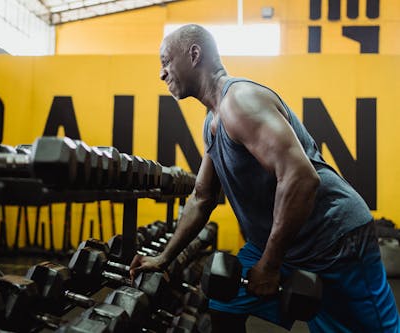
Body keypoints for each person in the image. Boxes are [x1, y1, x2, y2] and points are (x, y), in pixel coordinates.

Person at [129, 24, 400, 332]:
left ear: (194, 54)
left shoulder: (240, 102)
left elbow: (301, 179)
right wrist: (163, 258)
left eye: (166, 61)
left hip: (333, 239)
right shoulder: (213, 121)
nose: (162, 73)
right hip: (282, 242)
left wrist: (270, 264)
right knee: (223, 301)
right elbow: (202, 198)